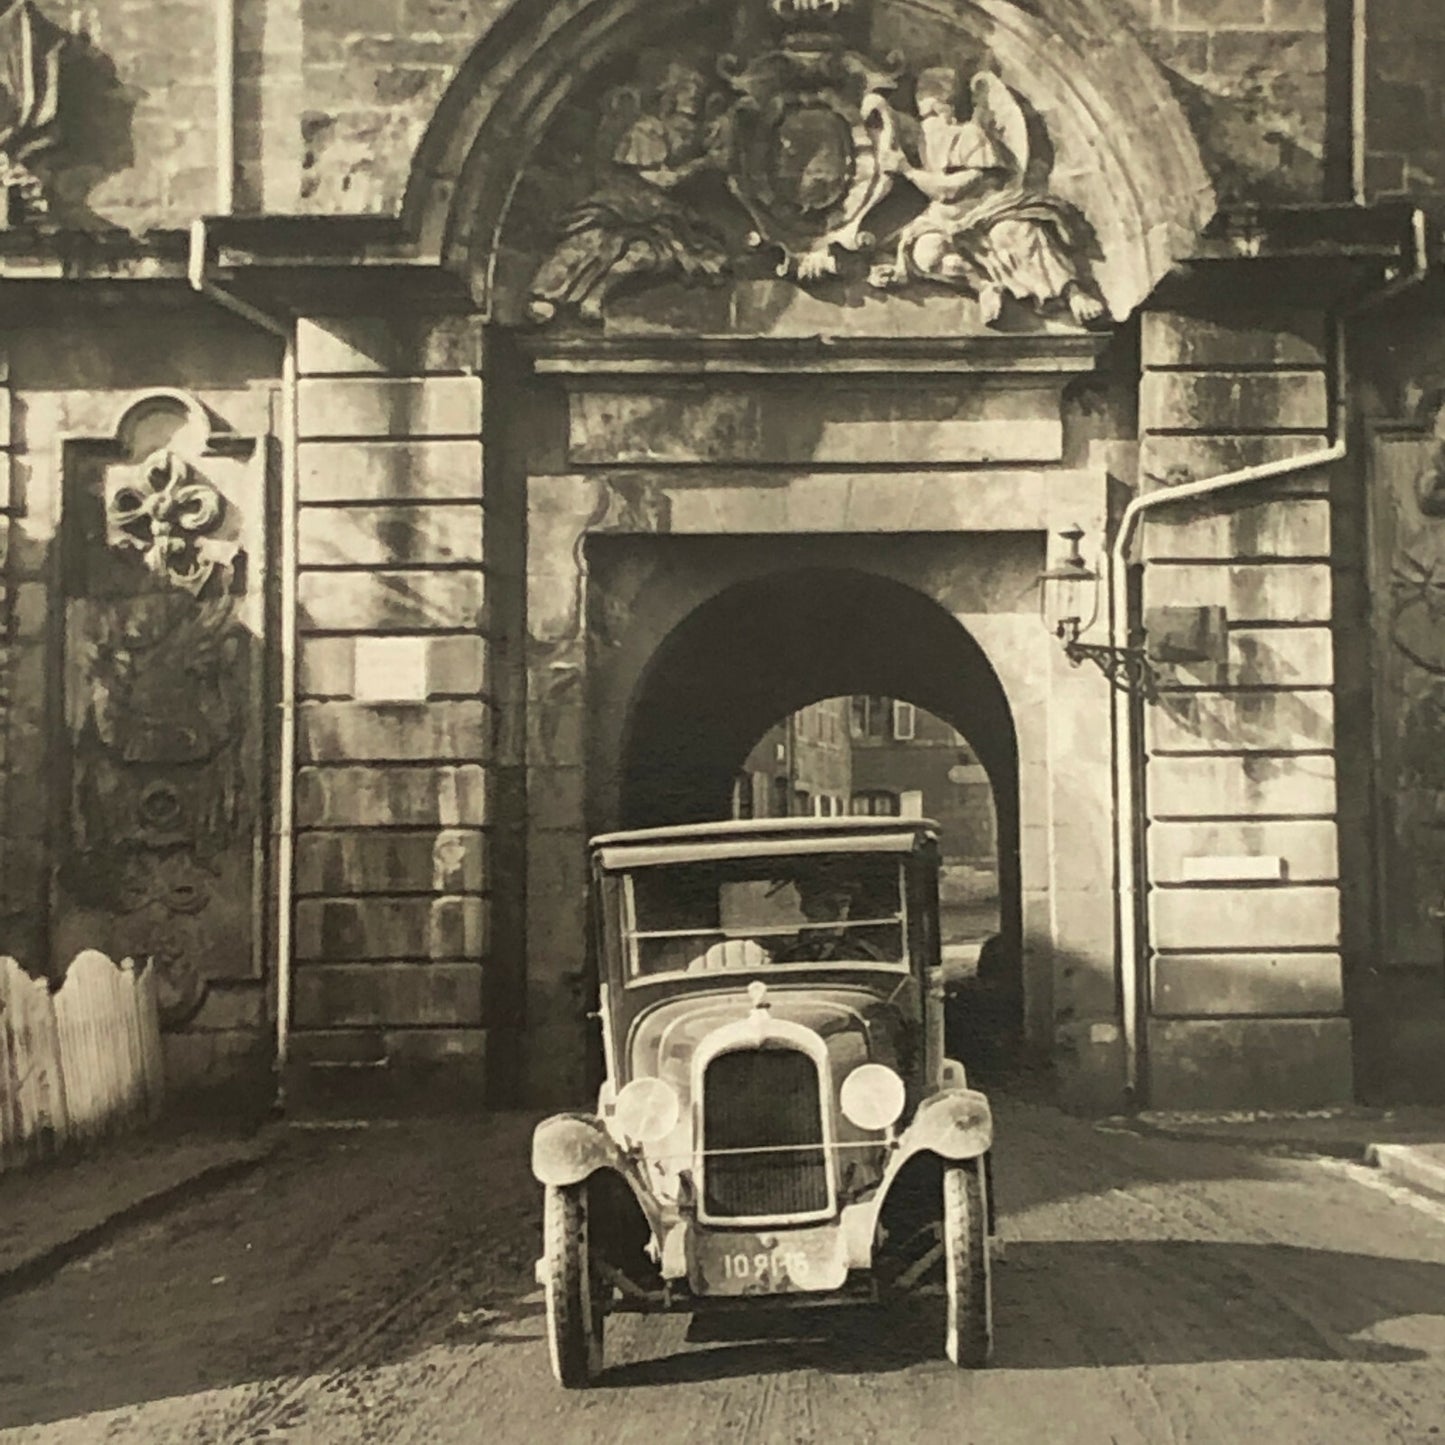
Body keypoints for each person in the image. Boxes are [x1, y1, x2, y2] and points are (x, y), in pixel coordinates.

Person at [866, 67, 1104, 328]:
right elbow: (890, 123)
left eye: (932, 110)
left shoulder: (971, 135)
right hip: (943, 218)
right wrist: (874, 100)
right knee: (926, 253)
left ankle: (1072, 293)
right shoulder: (925, 136)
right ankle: (984, 286)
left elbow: (952, 190)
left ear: (947, 108)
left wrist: (908, 171)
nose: (926, 123)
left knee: (1014, 233)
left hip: (986, 209)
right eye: (923, 112)